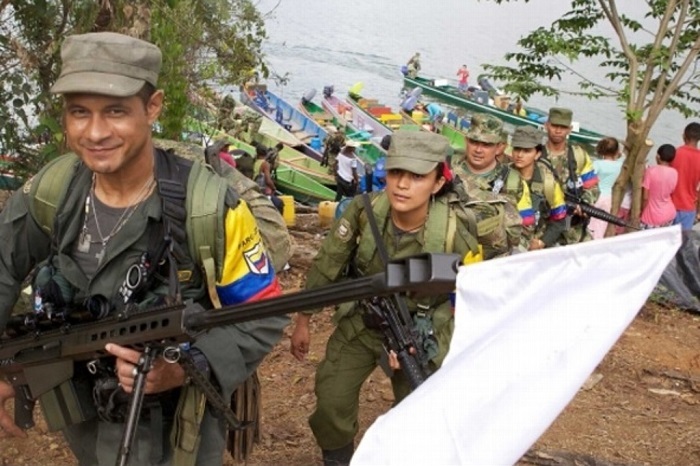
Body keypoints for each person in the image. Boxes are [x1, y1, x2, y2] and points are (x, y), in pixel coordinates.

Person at [0, 32, 288, 466]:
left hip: (176, 431)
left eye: (115, 111)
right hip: (84, 412)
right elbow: (4, 265)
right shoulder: (55, 189)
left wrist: (186, 366)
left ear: (152, 107)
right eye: (80, 112)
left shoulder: (207, 208)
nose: (95, 132)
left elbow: (263, 314)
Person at [289, 130, 508, 466]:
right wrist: (304, 319)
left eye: (417, 176)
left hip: (425, 328)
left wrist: (436, 339)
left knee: (421, 411)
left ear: (437, 182)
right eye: (396, 173)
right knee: (331, 398)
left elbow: (476, 289)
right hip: (365, 320)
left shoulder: (457, 228)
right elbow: (328, 263)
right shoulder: (365, 211)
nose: (402, 185)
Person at [452, 113, 526, 251]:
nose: (478, 150)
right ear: (466, 141)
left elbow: (524, 228)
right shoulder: (448, 167)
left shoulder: (512, 180)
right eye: (474, 142)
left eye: (486, 145)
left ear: (498, 147)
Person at [542, 107, 600, 244]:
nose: (558, 131)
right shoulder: (536, 155)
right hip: (544, 230)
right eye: (554, 126)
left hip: (573, 229)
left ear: (570, 129)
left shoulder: (578, 155)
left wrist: (584, 203)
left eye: (563, 127)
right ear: (546, 126)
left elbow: (593, 187)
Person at [510, 126, 568, 250]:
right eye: (517, 149)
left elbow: (559, 220)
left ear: (537, 154)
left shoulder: (549, 183)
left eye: (527, 151)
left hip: (534, 244)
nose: (519, 155)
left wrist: (542, 242)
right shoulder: (502, 175)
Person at [588, 137, 625, 239]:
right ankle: (597, 241)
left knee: (590, 222)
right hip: (608, 197)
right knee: (601, 223)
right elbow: (623, 156)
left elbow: (589, 180)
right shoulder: (619, 165)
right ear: (616, 151)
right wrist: (619, 153)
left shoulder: (597, 164)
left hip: (596, 195)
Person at [670, 122, 700, 230]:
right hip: (688, 208)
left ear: (684, 135)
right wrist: (698, 212)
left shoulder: (675, 153)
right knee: (682, 239)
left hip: (669, 205)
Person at [641, 144, 678, 228]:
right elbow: (671, 191)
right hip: (669, 214)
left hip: (652, 216)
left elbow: (645, 198)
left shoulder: (650, 171)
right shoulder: (674, 173)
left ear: (658, 156)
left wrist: (643, 211)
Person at [254, 143, 284, 214]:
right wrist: (273, 188)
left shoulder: (254, 161)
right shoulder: (265, 164)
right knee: (279, 203)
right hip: (261, 191)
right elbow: (268, 181)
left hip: (254, 188)